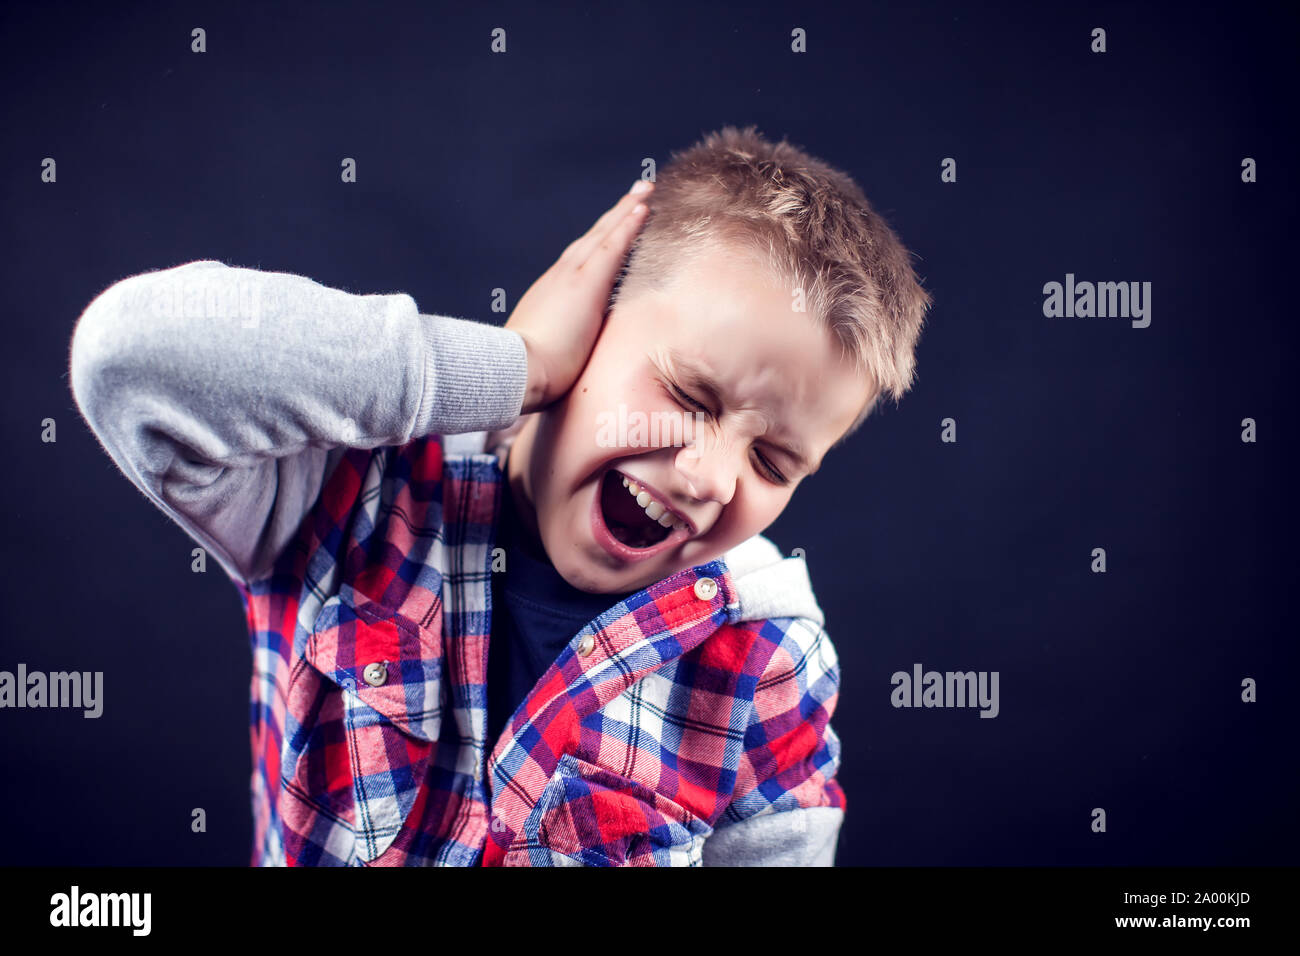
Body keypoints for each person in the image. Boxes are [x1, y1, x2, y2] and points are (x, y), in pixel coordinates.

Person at [68, 125, 931, 866]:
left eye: (774, 463)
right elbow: (127, 354)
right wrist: (515, 365)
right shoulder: (350, 494)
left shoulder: (769, 661)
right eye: (688, 396)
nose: (710, 478)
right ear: (591, 325)